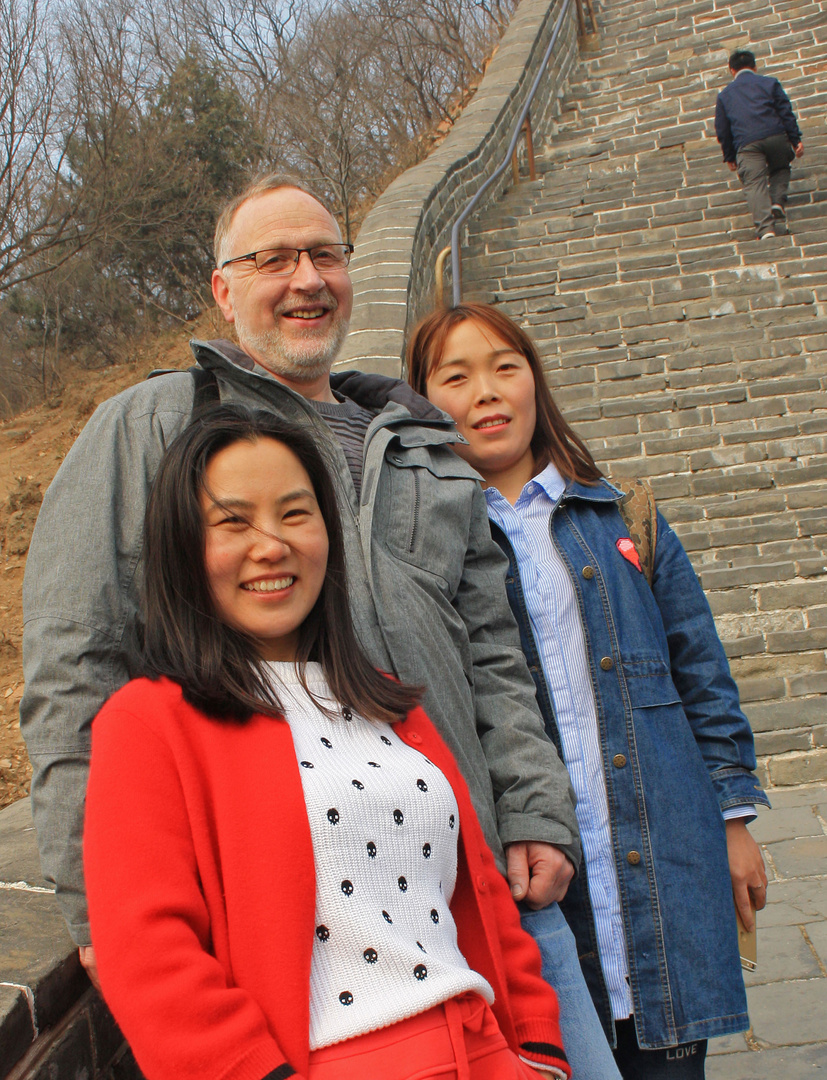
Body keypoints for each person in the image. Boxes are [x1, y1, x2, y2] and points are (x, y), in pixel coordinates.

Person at [21, 173, 594, 1047]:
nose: (306, 278)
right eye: (273, 258)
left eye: (326, 254)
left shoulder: (429, 448)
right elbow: (74, 662)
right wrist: (98, 905)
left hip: (475, 891)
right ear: (222, 289)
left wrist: (533, 807)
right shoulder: (148, 426)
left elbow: (491, 652)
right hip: (286, 932)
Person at [83, 404, 572, 1080]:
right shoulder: (149, 722)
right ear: (182, 546)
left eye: (294, 513)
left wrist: (537, 1050)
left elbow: (480, 890)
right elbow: (147, 954)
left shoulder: (387, 700)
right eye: (232, 521)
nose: (271, 545)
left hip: (483, 1049)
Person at [407, 302, 771, 1079]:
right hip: (533, 877)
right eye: (455, 375)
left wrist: (732, 820)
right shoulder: (426, 553)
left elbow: (699, 671)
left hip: (656, 859)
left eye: (505, 365)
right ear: (422, 400)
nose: (486, 391)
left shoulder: (621, 514)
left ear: (535, 380)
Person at [715, 49, 803, 240]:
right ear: (754, 66)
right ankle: (777, 201)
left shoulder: (725, 96)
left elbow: (722, 129)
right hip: (775, 135)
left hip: (747, 144)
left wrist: (729, 156)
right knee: (780, 167)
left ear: (731, 70)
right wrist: (795, 140)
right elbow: (785, 112)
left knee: (754, 183)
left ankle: (766, 231)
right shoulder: (769, 83)